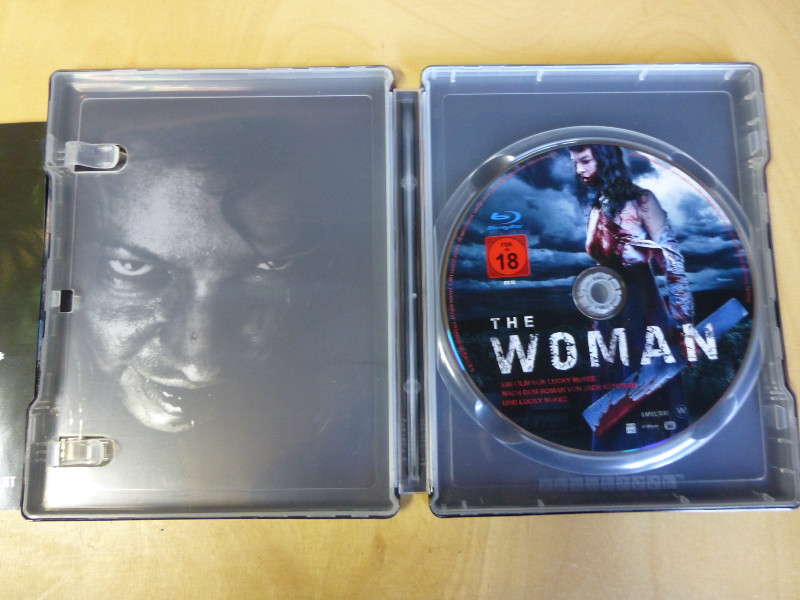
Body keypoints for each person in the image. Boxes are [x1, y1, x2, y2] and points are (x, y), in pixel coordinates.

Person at [567, 144, 694, 450]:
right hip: (608, 313)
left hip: (643, 307)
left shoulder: (642, 200)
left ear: (605, 158)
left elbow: (672, 261)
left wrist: (684, 322)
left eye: (585, 161)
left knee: (649, 387)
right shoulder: (597, 205)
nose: (579, 170)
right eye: (575, 163)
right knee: (611, 401)